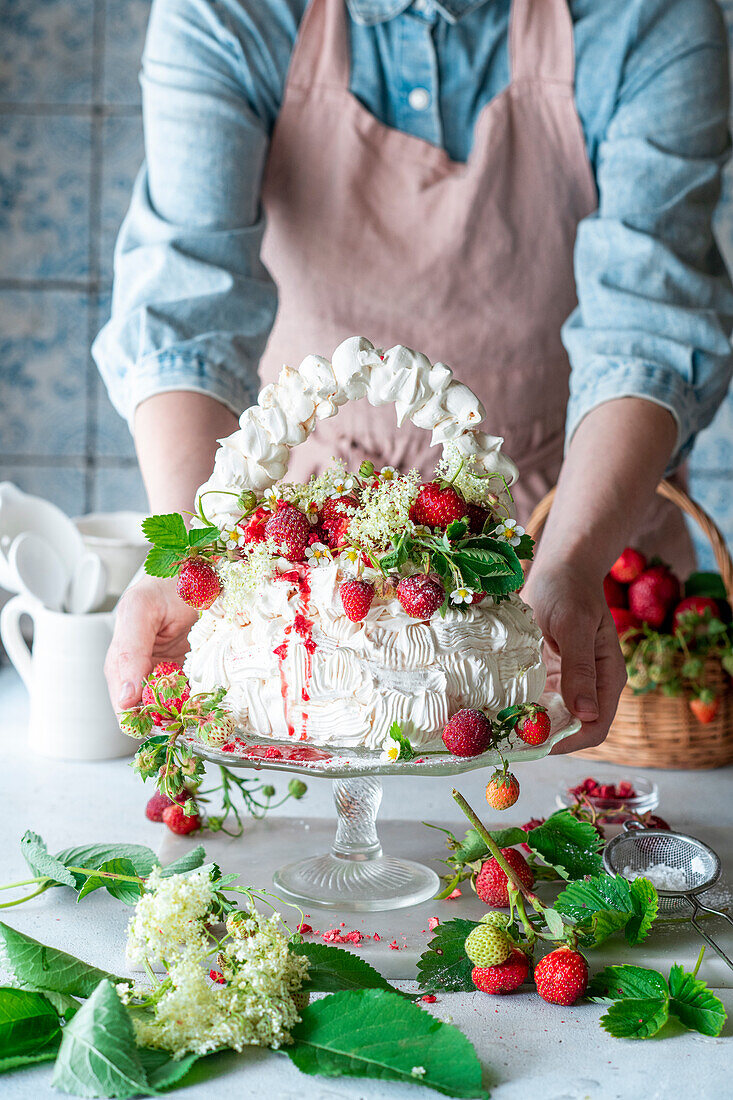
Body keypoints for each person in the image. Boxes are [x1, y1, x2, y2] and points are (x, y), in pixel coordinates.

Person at [95, 0, 733, 754]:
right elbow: (185, 301)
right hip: (306, 577)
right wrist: (194, 554)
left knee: (559, 841)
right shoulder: (228, 13)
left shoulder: (647, 16)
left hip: (558, 544)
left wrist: (571, 559)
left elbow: (648, 324)